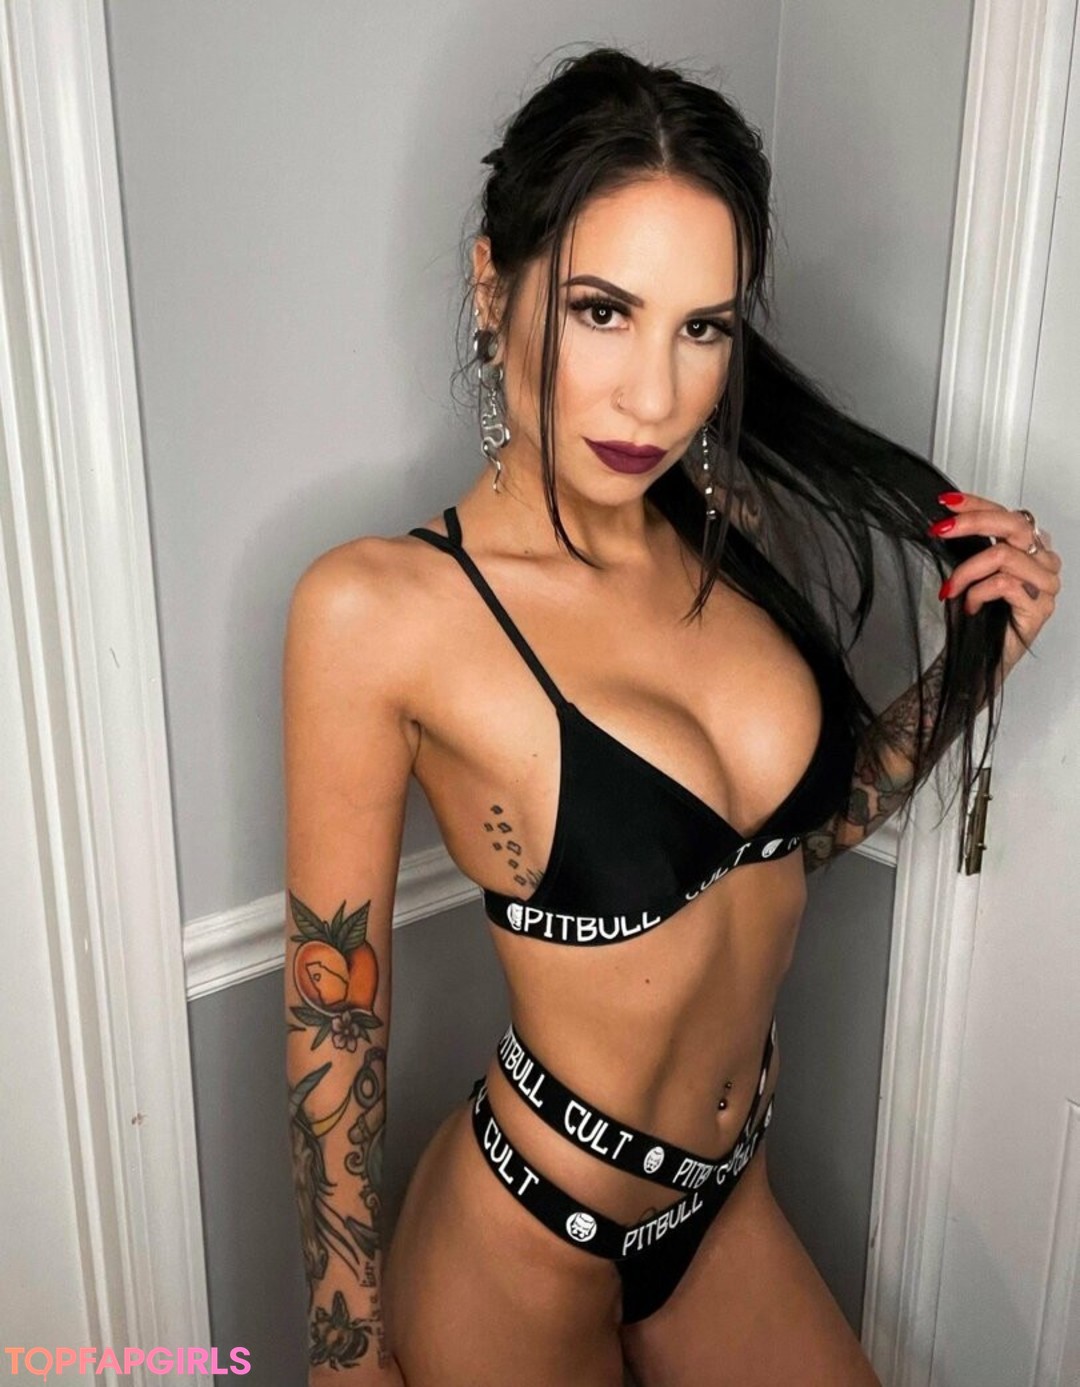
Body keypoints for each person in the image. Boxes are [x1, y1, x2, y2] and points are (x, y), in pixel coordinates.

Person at [282, 46, 1061, 1387]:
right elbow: (332, 1018)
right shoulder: (380, 612)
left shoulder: (722, 533)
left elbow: (783, 849)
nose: (657, 396)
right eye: (603, 311)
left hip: (726, 1202)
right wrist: (345, 1358)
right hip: (528, 1245)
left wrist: (978, 666)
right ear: (493, 286)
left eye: (703, 327)